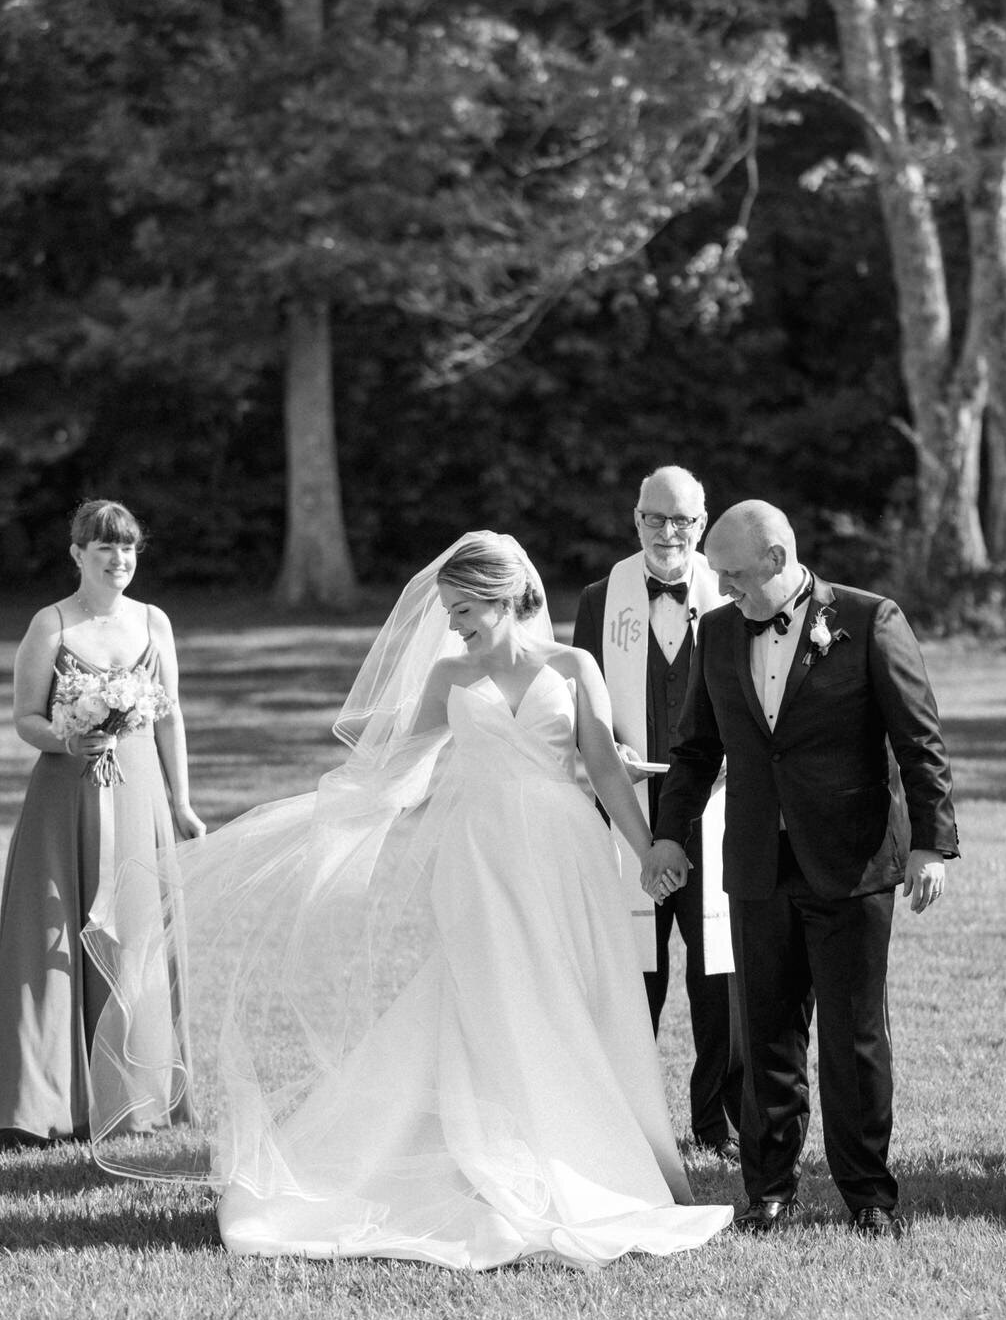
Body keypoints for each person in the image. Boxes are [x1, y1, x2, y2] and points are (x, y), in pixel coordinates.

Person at [110, 532, 731, 1267]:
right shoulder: (447, 677)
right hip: (480, 854)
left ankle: (584, 1155)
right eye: (449, 610)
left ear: (505, 600)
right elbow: (392, 757)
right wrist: (339, 807)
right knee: (493, 995)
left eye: (465, 609)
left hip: (568, 854)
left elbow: (600, 763)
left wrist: (650, 847)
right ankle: (499, 1162)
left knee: (571, 996)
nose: (455, 624)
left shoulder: (572, 666)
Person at [643, 500, 958, 1238]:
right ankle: (770, 1191)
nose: (721, 588)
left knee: (853, 1038)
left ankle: (869, 1198)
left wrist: (932, 844)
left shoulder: (870, 620)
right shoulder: (717, 631)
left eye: (735, 575)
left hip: (850, 863)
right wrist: (669, 838)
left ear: (780, 562)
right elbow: (694, 750)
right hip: (756, 862)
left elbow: (921, 742)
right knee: (766, 1034)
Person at [0, 498, 204, 1146]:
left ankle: (138, 1095)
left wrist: (182, 802)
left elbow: (169, 715)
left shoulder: (155, 622)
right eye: (105, 549)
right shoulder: (50, 626)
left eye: (129, 549)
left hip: (139, 796)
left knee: (138, 936)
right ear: (77, 555)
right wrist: (68, 738)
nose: (119, 561)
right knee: (52, 938)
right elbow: (25, 718)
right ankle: (48, 1105)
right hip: (65, 802)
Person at [573, 466, 742, 1162]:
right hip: (630, 814)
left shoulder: (731, 592)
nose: (667, 533)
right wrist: (606, 745)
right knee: (632, 969)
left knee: (720, 971)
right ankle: (626, 1116)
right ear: (634, 518)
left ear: (702, 525)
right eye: (654, 518)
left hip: (721, 806)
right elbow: (575, 698)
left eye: (682, 521)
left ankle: (721, 1122)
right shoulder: (597, 598)